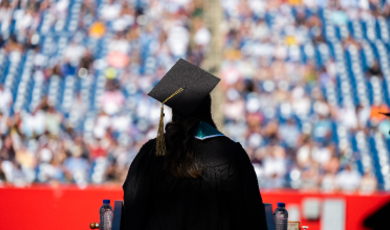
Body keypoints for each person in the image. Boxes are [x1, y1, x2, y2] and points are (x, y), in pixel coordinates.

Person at [122, 58, 268, 230]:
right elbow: (253, 215)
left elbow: (133, 210)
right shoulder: (231, 154)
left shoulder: (153, 152)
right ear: (207, 109)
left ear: (175, 111)